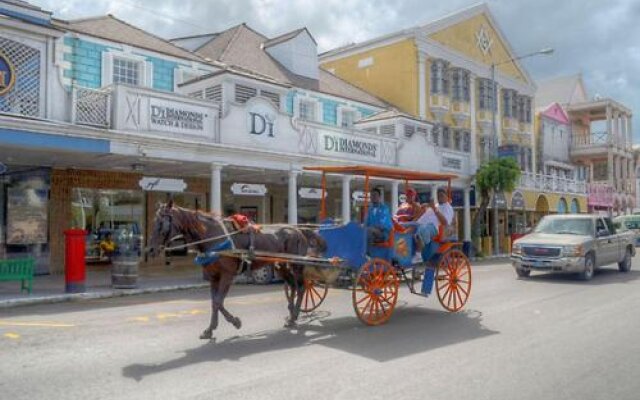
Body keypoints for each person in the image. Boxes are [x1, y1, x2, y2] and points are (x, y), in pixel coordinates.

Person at [415, 188, 454, 253]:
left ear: (446, 196)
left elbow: (445, 222)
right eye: (438, 196)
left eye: (442, 195)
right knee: (406, 226)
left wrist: (434, 209)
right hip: (419, 224)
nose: (440, 197)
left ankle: (422, 252)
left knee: (423, 229)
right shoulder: (435, 205)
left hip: (435, 228)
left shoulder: (448, 208)